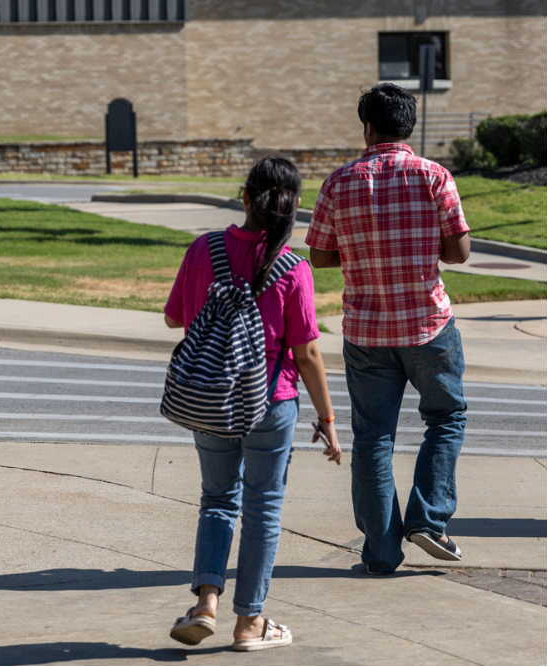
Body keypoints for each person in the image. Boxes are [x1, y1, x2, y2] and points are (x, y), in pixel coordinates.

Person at [165, 157, 341, 651]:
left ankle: (205, 604)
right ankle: (250, 624)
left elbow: (174, 318)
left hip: (213, 401)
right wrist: (327, 419)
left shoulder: (204, 249)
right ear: (295, 207)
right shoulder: (293, 267)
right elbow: (306, 352)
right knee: (263, 509)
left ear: (244, 197)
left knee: (218, 500)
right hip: (271, 401)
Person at [305, 83, 470, 576]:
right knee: (446, 419)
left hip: (366, 330)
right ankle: (428, 519)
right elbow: (459, 252)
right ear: (410, 126)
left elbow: (319, 255)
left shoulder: (339, 182)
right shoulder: (434, 176)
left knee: (373, 438)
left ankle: (380, 552)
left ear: (368, 127)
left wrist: (357, 252)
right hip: (427, 324)